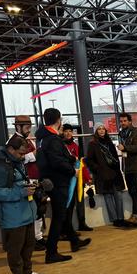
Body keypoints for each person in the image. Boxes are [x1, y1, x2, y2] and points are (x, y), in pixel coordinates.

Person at [0, 135, 47, 274]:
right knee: (15, 248)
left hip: (26, 211)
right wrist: (20, 192)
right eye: (20, 153)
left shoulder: (16, 163)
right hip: (12, 215)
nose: (23, 156)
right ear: (11, 149)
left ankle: (27, 273)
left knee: (29, 245)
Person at [35, 108, 91, 263]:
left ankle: (74, 240)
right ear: (58, 120)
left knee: (63, 213)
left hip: (52, 180)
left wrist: (71, 159)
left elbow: (58, 157)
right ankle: (51, 252)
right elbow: (57, 161)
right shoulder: (52, 139)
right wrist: (72, 170)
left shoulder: (43, 138)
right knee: (60, 216)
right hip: (58, 182)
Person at [86, 124, 134, 228]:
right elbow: (89, 160)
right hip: (103, 174)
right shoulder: (93, 144)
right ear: (96, 131)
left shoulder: (109, 142)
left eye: (103, 128)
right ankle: (115, 219)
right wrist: (98, 169)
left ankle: (120, 218)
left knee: (118, 195)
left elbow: (115, 157)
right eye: (99, 129)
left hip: (114, 172)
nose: (102, 131)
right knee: (108, 196)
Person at [9, 115, 45, 251]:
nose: (29, 129)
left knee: (38, 209)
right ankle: (34, 239)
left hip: (33, 178)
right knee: (32, 210)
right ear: (18, 126)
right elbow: (16, 159)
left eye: (30, 126)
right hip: (25, 180)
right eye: (27, 127)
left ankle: (38, 237)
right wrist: (33, 154)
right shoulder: (14, 141)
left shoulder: (25, 140)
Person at [61, 124, 93, 232]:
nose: (68, 133)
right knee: (68, 203)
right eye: (66, 131)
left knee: (80, 200)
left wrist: (86, 177)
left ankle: (82, 223)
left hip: (77, 178)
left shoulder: (76, 146)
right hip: (67, 178)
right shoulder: (60, 146)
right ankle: (68, 227)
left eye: (70, 131)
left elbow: (81, 163)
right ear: (62, 132)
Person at [117, 113, 137, 222]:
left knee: (134, 190)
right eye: (121, 121)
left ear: (130, 121)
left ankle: (135, 215)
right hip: (126, 166)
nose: (123, 123)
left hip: (136, 166)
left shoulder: (136, 133)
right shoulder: (121, 134)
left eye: (125, 121)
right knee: (132, 191)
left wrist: (124, 147)